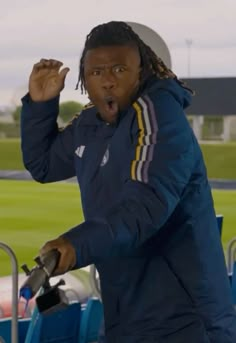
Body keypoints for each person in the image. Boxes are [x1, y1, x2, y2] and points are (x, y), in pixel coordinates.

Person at [20, 21, 236, 343]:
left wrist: (75, 245)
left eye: (119, 69)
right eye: (96, 72)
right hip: (125, 310)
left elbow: (143, 206)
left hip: (184, 317)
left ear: (142, 70)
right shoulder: (91, 123)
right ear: (84, 78)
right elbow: (43, 164)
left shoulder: (160, 114)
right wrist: (40, 105)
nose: (107, 81)